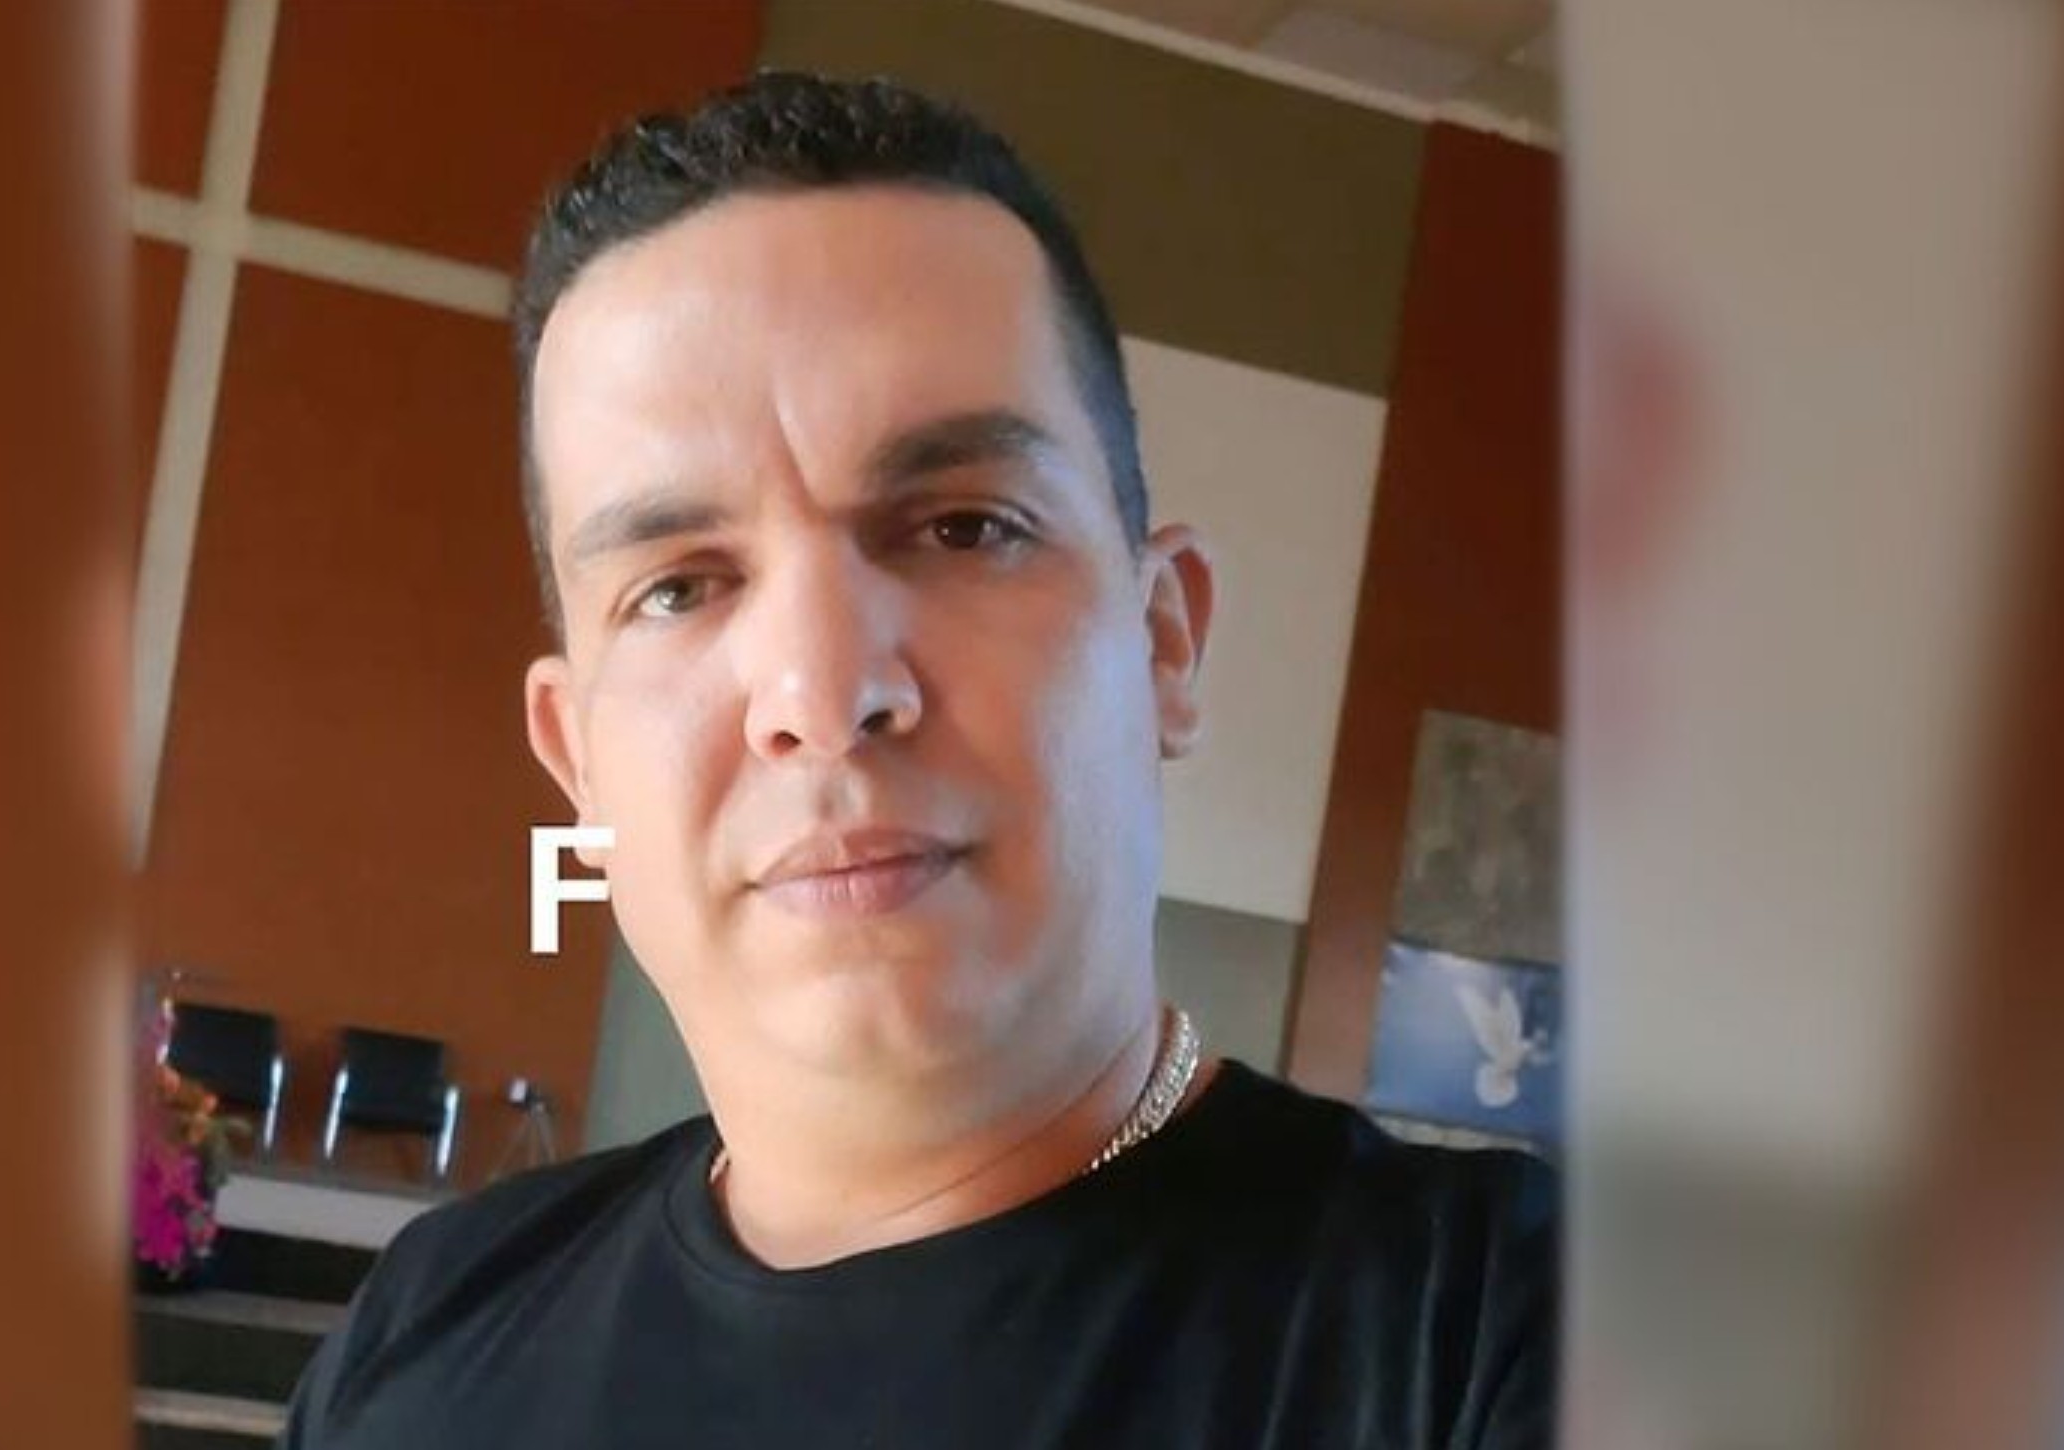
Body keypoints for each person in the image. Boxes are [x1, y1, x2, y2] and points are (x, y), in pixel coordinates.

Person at [281, 72, 1555, 1449]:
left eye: (962, 528)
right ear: (577, 763)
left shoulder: (1513, 1336)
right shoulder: (427, 1323)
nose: (822, 694)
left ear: (1162, 644)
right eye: (678, 586)